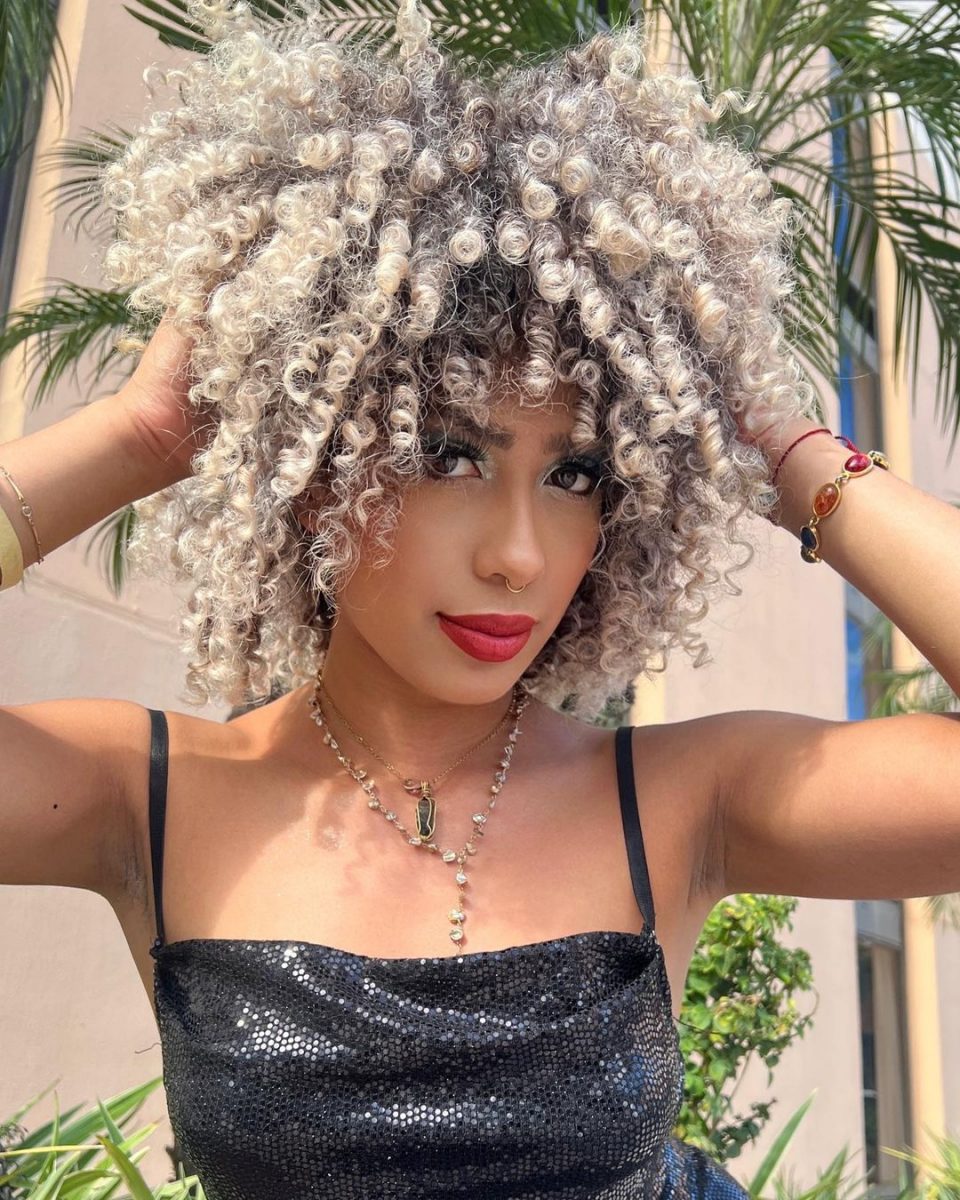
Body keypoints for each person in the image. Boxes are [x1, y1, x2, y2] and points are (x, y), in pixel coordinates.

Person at [1, 0, 958, 1195]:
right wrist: (138, 435)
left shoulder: (677, 799)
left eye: (575, 474)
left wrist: (798, 458)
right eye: (446, 454)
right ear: (316, 465)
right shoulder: (139, 793)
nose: (518, 555)